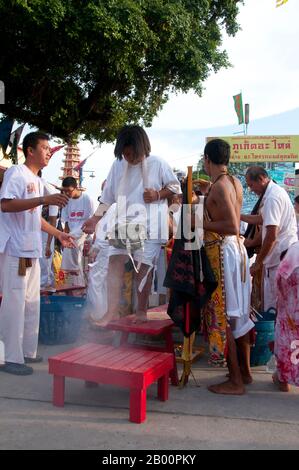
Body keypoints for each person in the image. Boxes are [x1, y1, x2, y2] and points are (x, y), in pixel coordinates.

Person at [82, 125, 181, 325]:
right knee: (114, 262)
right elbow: (107, 198)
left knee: (143, 269)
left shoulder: (158, 163)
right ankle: (112, 312)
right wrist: (95, 219)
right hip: (125, 221)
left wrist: (158, 194)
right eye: (124, 154)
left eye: (131, 154)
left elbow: (175, 188)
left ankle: (141, 311)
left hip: (152, 223)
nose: (127, 158)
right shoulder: (118, 165)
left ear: (142, 148)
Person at [0, 131, 74, 375]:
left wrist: (58, 233)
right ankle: (10, 357)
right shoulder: (16, 173)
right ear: (30, 150)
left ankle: (26, 351)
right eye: (44, 148)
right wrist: (43, 199)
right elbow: (6, 204)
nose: (48, 152)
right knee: (15, 302)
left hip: (31, 249)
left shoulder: (38, 179)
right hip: (16, 248)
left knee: (32, 303)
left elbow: (36, 218)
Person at [198, 138, 254, 395]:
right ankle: (244, 372)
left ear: (207, 159)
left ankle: (235, 381)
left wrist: (200, 224)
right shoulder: (233, 182)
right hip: (236, 251)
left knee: (225, 316)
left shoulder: (219, 187)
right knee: (239, 314)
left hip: (224, 252)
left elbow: (231, 224)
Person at [241, 166, 298, 312]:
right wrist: (239, 216)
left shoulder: (273, 197)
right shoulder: (272, 193)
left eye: (251, 185)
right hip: (281, 257)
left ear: (261, 179)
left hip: (280, 258)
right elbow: (263, 219)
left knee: (276, 307)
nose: (251, 189)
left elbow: (271, 234)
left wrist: (258, 263)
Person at [273, 241, 299, 392]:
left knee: (286, 336)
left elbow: (280, 279)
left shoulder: (293, 251)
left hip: (290, 307)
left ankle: (284, 379)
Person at [60, 177, 94, 286]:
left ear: (75, 188)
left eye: (68, 191)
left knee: (72, 241)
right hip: (72, 234)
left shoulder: (87, 199)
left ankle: (71, 270)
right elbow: (65, 222)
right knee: (72, 246)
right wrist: (65, 236)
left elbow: (92, 219)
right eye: (64, 191)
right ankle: (78, 282)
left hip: (84, 231)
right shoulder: (66, 201)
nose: (66, 193)